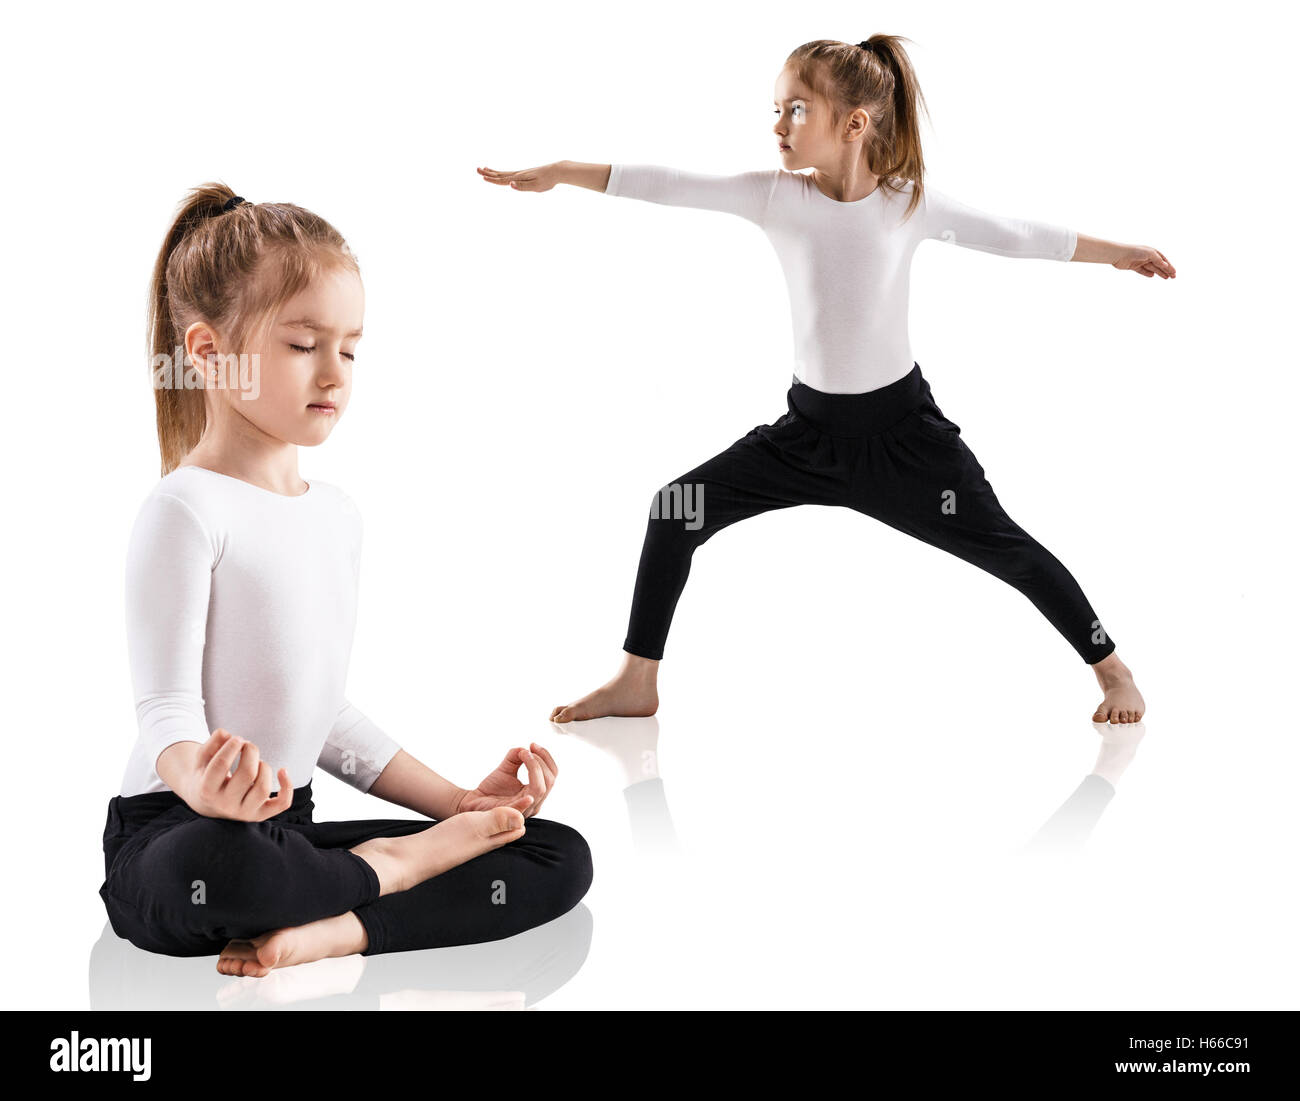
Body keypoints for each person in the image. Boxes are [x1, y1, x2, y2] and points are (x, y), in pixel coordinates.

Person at [479, 35, 1166, 726]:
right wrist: (565, 171)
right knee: (674, 509)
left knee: (1007, 547)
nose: (778, 125)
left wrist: (1120, 254)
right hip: (803, 440)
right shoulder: (777, 198)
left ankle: (1113, 669)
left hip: (906, 444)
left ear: (855, 124)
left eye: (797, 110)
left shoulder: (910, 203)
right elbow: (670, 184)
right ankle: (637, 679)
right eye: (776, 109)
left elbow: (1015, 233)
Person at [99, 185, 592, 977]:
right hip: (175, 833)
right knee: (229, 869)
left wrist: (462, 804)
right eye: (302, 345)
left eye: (351, 348)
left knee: (557, 854)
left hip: (288, 838)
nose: (334, 372)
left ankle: (339, 928)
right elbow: (164, 709)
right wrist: (203, 783)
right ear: (205, 350)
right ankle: (391, 875)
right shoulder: (184, 507)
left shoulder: (338, 514)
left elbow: (321, 714)